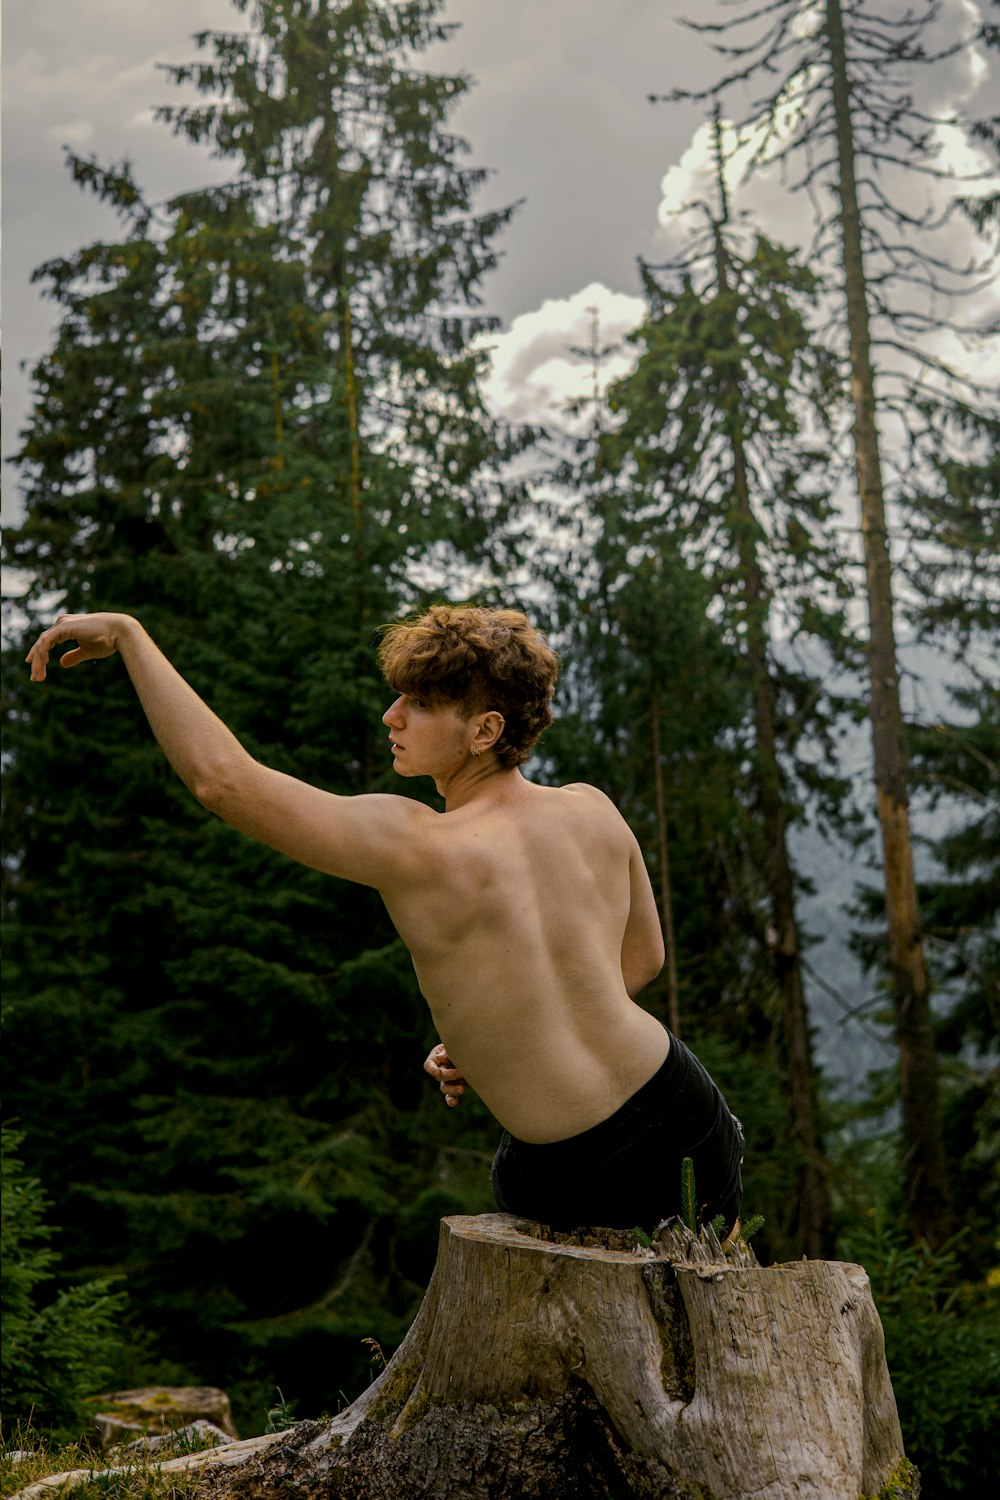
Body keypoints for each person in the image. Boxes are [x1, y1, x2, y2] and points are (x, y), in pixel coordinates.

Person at [26, 603, 743, 1234]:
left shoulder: (416, 843)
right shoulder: (592, 806)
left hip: (568, 1168)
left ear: (484, 730)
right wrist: (511, 1029)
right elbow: (641, 962)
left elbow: (225, 783)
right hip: (687, 1111)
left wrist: (130, 635)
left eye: (422, 704)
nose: (390, 716)